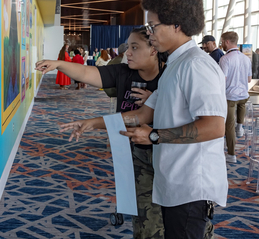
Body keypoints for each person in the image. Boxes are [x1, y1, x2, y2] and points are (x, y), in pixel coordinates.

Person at [54, 0, 226, 239]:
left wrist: (154, 135)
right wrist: (92, 123)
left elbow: (214, 126)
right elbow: (143, 115)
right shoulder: (174, 67)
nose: (150, 33)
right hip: (174, 181)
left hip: (191, 186)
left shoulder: (195, 66)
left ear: (176, 25)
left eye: (153, 26)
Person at [36, 27, 168, 238]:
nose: (127, 53)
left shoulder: (169, 77)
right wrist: (59, 64)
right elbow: (87, 73)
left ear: (154, 50)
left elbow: (147, 116)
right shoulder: (123, 71)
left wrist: (157, 100)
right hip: (133, 152)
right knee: (144, 216)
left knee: (174, 216)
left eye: (135, 47)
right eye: (128, 47)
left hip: (168, 153)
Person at [219, 31, 252, 163]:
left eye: (222, 41)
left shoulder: (225, 59)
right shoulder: (246, 58)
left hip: (230, 97)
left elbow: (222, 80)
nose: (221, 44)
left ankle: (231, 155)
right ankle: (240, 126)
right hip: (244, 95)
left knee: (229, 125)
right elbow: (249, 79)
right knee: (241, 105)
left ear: (227, 42)